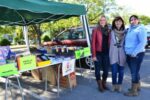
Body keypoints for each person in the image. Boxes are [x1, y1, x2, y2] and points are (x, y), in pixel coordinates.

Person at [124, 15, 147, 96]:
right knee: (135, 72)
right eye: (131, 20)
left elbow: (142, 42)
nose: (132, 21)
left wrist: (134, 53)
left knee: (134, 73)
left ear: (138, 20)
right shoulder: (130, 29)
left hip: (136, 55)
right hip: (129, 54)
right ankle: (137, 86)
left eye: (134, 19)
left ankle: (134, 91)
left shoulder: (141, 29)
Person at [91, 15, 110, 92]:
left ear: (106, 21)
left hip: (106, 53)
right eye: (101, 20)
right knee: (97, 70)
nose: (102, 21)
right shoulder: (95, 29)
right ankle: (99, 85)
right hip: (98, 53)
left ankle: (104, 83)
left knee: (106, 70)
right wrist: (94, 55)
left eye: (104, 20)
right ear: (99, 21)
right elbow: (93, 43)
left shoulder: (108, 30)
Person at [109, 16, 126, 92]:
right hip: (113, 54)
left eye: (119, 21)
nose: (118, 23)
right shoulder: (111, 32)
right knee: (114, 71)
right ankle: (114, 85)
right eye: (116, 22)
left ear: (122, 22)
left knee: (121, 72)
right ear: (114, 23)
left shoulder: (126, 32)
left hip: (122, 54)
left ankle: (119, 85)